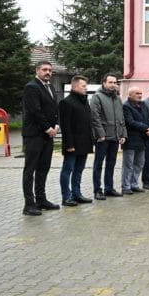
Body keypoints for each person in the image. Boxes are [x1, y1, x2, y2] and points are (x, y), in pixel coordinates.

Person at [21, 62, 61, 215]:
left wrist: (56, 125)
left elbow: (54, 109)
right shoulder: (31, 87)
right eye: (44, 70)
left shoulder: (50, 87)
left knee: (43, 168)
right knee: (30, 170)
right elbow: (35, 111)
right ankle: (29, 204)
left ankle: (41, 199)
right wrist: (48, 128)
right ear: (37, 71)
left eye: (50, 70)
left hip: (48, 135)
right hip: (34, 135)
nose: (48, 72)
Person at [58, 75, 94, 206]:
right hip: (72, 144)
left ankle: (76, 194)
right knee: (68, 170)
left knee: (79, 170)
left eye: (86, 86)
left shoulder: (84, 101)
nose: (86, 88)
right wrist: (69, 144)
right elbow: (66, 126)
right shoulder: (66, 102)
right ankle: (66, 197)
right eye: (83, 86)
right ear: (75, 86)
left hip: (84, 143)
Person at [90, 73, 126, 200]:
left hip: (115, 137)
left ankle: (109, 188)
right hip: (103, 138)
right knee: (98, 164)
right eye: (110, 82)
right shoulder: (97, 97)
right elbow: (95, 117)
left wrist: (123, 134)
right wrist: (101, 134)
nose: (113, 85)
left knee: (111, 164)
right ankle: (97, 190)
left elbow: (122, 118)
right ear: (104, 83)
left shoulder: (117, 98)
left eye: (115, 82)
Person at [122, 87, 149, 194]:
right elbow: (130, 122)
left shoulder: (143, 105)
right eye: (137, 93)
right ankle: (126, 186)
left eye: (140, 93)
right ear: (130, 95)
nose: (140, 95)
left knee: (139, 164)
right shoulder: (126, 106)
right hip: (130, 140)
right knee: (128, 165)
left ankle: (134, 184)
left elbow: (148, 118)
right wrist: (145, 128)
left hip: (142, 139)